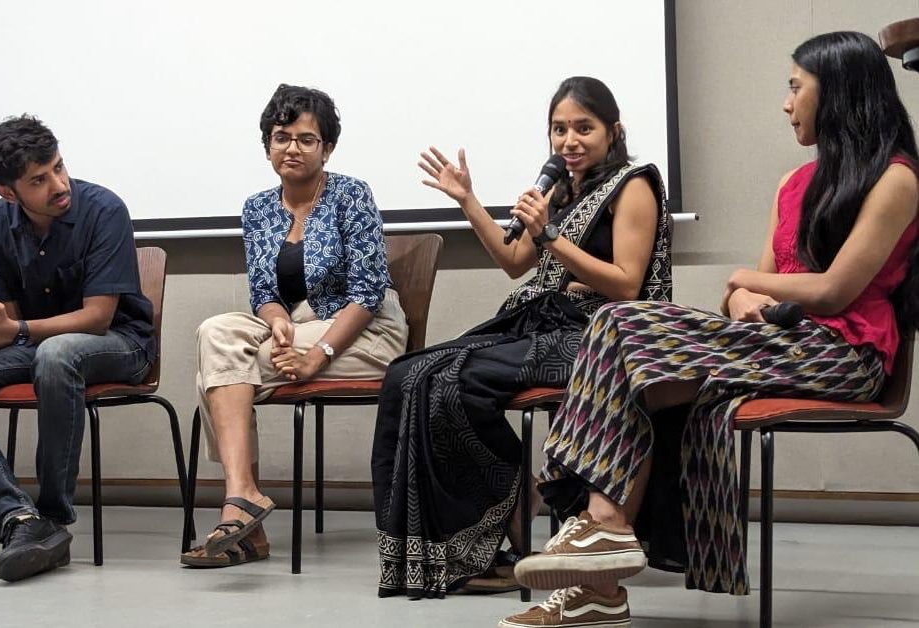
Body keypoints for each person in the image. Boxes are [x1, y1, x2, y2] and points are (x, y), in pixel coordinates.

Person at [501, 31, 919, 628]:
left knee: (620, 323)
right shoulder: (792, 184)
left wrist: (748, 279)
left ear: (839, 92)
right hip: (777, 341)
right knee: (627, 352)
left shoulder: (897, 178)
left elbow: (834, 291)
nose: (786, 103)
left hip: (846, 353)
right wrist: (742, 293)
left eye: (795, 87)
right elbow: (750, 293)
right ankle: (601, 574)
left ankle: (600, 540)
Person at [372, 76, 673, 599]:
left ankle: (501, 525)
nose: (569, 141)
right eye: (559, 129)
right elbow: (515, 262)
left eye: (584, 128)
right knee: (409, 375)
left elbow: (627, 284)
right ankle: (450, 546)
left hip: (596, 337)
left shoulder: (633, 185)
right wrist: (468, 200)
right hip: (540, 320)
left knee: (456, 381)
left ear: (614, 130)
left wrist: (550, 235)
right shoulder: (562, 189)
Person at [181, 85, 408, 568]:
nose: (292, 148)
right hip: (300, 326)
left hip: (365, 332)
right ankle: (244, 496)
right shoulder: (258, 208)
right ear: (267, 145)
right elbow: (264, 292)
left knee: (217, 372)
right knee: (216, 334)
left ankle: (243, 514)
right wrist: (278, 321)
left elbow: (367, 293)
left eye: (306, 139)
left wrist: (316, 356)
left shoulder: (351, 194)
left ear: (327, 148)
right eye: (281, 137)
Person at [0, 116, 155, 582]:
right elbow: (2, 324)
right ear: (8, 192)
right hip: (33, 344)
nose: (59, 185)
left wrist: (14, 328)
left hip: (119, 343)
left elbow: (97, 317)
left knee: (58, 354)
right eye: (39, 180)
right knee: (50, 351)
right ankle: (18, 518)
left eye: (58, 167)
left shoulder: (104, 209)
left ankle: (53, 517)